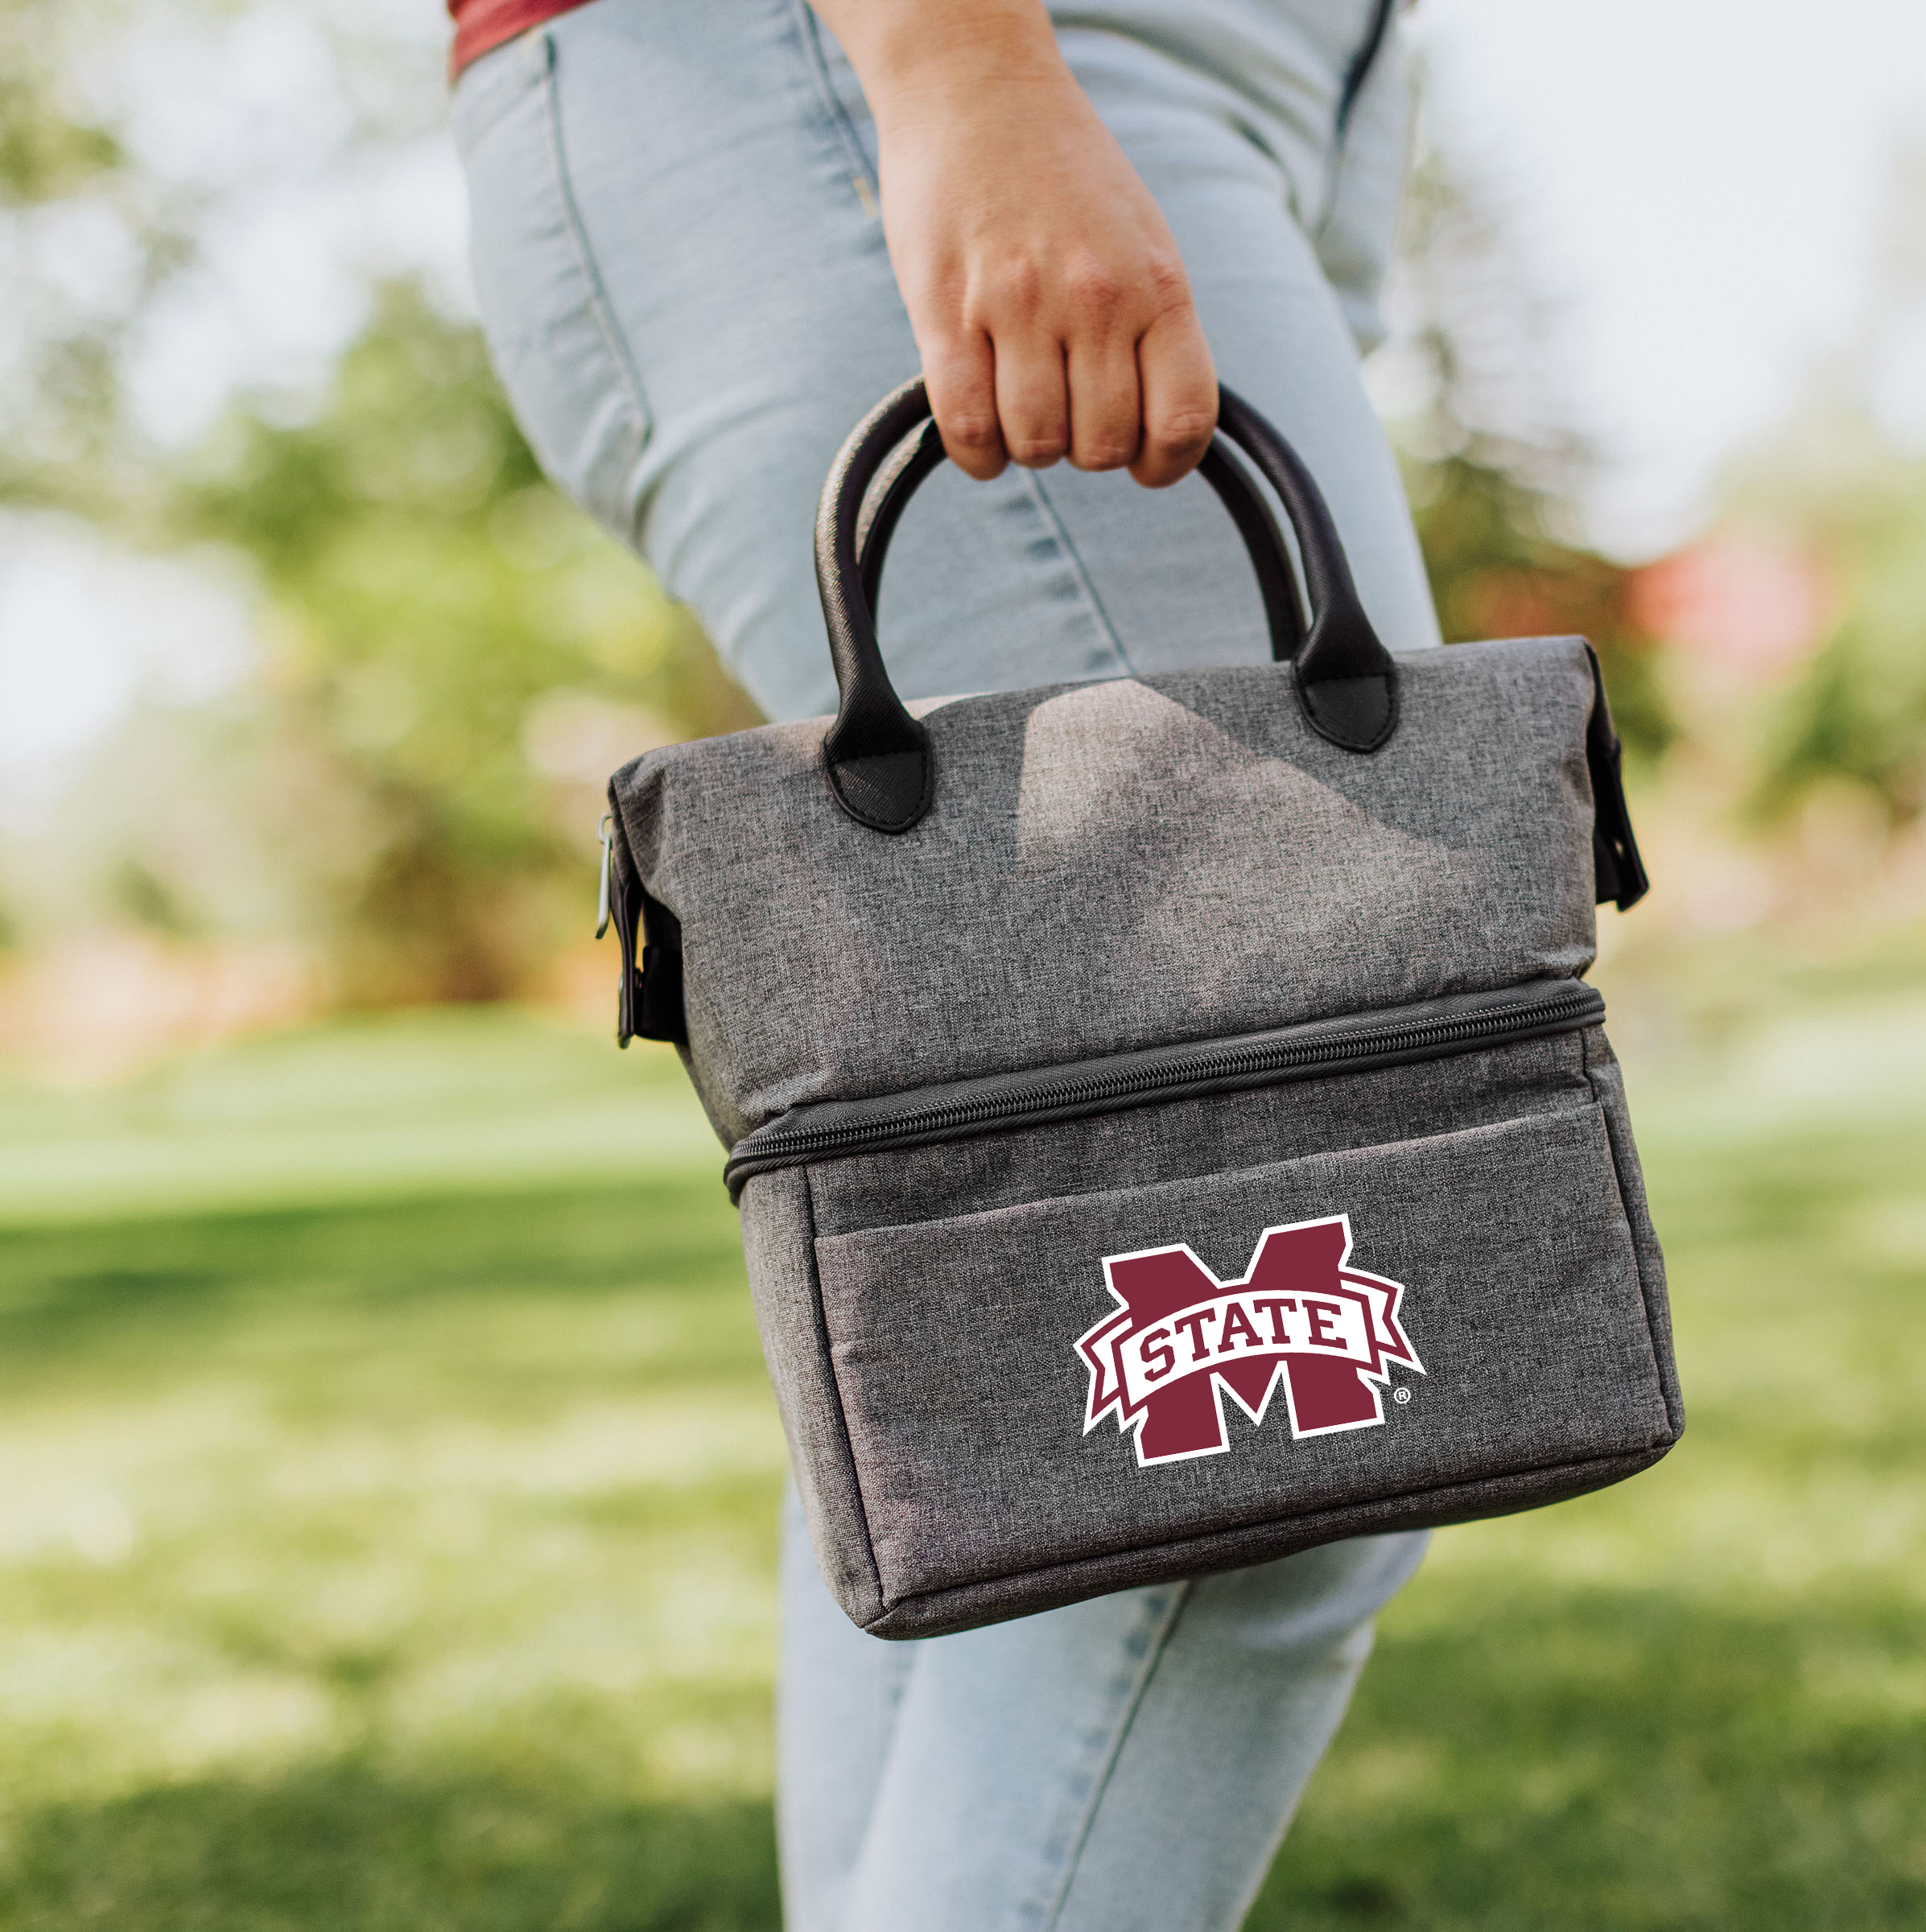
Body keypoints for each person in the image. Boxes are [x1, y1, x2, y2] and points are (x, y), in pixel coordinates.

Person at [449, 2, 1441, 1924]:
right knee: (1287, 1375)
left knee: (995, 1337)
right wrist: (959, 68)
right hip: (907, 50)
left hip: (1218, 83)